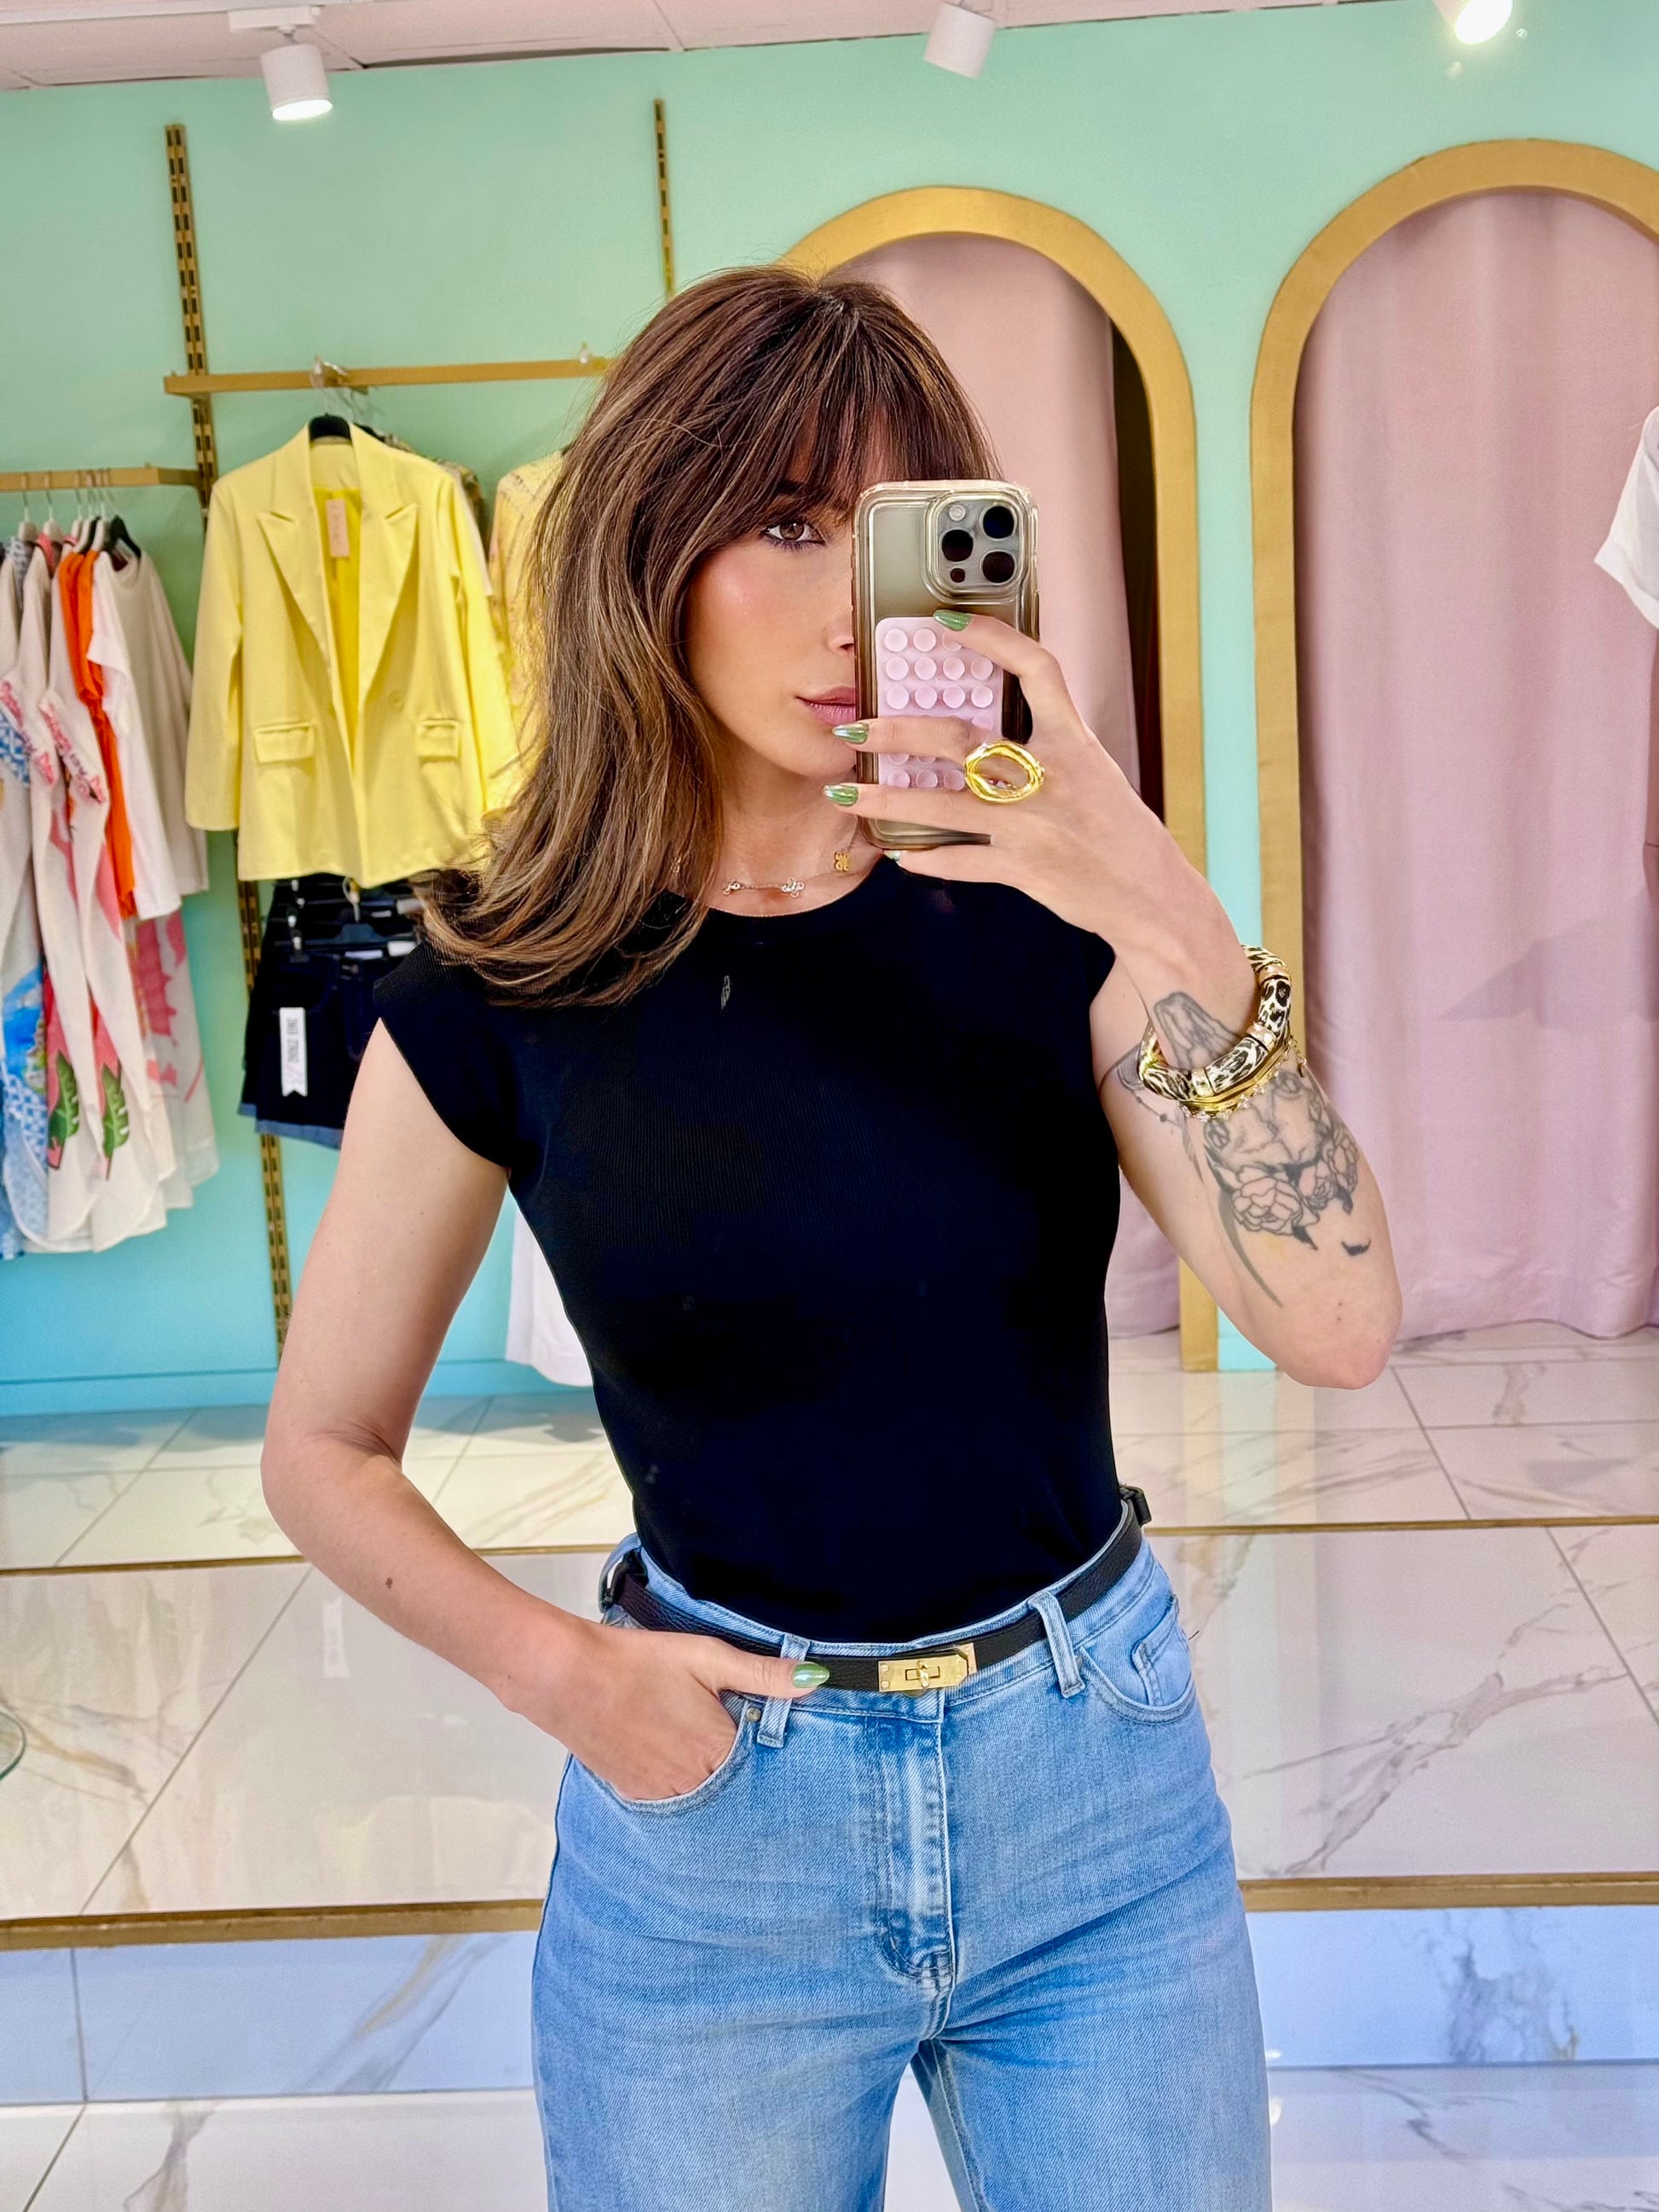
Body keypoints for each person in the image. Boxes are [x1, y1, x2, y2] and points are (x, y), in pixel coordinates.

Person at [262, 266, 1401, 2211]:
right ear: (647, 547)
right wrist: (567, 1676)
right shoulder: (495, 985)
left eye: (888, 537)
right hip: (715, 1840)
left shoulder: (1048, 923)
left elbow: (1338, 1322)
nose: (847, 611)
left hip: (1090, 1804)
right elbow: (322, 1447)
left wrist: (1159, 897)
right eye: (785, 525)